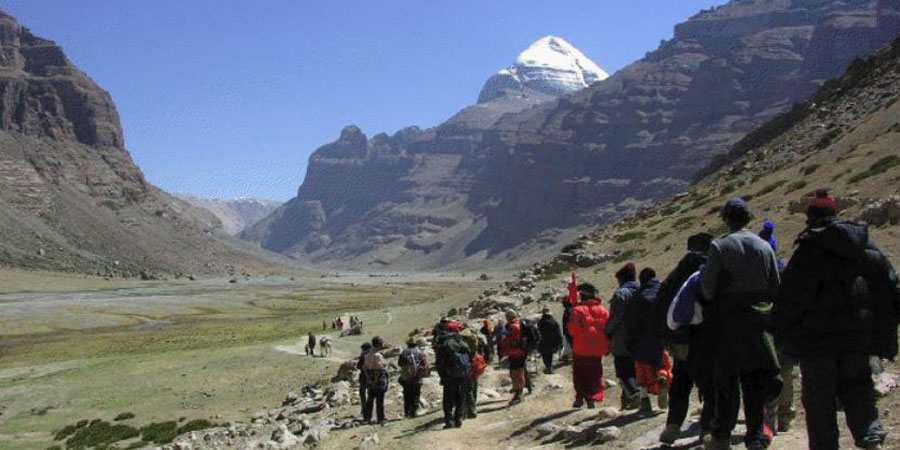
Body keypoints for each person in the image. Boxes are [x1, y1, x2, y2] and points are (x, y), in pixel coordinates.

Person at [775, 189, 897, 450]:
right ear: (836, 213)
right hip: (858, 338)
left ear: (811, 218)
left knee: (819, 401)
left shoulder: (808, 250)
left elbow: (791, 298)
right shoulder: (863, 245)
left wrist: (782, 331)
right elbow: (889, 285)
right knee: (859, 390)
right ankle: (870, 437)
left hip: (816, 344)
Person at [700, 198, 782, 450]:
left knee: (726, 381)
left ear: (726, 218)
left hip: (729, 321)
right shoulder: (765, 247)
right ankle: (756, 435)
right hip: (759, 321)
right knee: (755, 380)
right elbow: (775, 287)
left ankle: (721, 434)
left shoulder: (720, 246)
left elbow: (708, 289)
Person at [655, 233, 715, 444]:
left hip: (679, 339)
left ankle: (673, 425)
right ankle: (708, 429)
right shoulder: (710, 270)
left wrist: (667, 336)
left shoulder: (678, 272)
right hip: (706, 339)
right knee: (710, 386)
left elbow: (661, 299)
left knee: (681, 382)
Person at [758, 221, 797, 434]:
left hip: (762, 331)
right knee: (786, 372)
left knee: (764, 373)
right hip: (784, 329)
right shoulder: (784, 270)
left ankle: (766, 416)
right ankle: (785, 416)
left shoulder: (755, 274)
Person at [628, 268, 673, 414]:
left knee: (641, 368)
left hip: (643, 338)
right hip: (662, 335)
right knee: (662, 363)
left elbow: (633, 321)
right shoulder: (664, 291)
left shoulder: (638, 296)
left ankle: (645, 401)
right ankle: (662, 377)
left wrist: (631, 341)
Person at [568, 282, 611, 409]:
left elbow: (571, 330)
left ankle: (580, 397)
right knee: (595, 373)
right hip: (598, 349)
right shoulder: (604, 310)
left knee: (580, 374)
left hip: (581, 348)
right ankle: (593, 397)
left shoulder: (577, 310)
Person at [605, 262, 642, 410]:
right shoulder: (643, 289)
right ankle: (632, 398)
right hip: (642, 336)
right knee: (637, 368)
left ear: (622, 279)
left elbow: (615, 317)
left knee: (623, 369)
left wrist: (608, 330)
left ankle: (633, 394)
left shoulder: (621, 293)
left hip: (623, 337)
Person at [436, 322, 471, 428]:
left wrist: (442, 375)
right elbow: (468, 353)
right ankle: (458, 419)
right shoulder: (461, 341)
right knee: (460, 397)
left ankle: (449, 421)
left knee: (448, 399)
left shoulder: (444, 343)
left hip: (449, 375)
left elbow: (440, 362)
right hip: (462, 374)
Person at [501, 310, 528, 405]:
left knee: (516, 372)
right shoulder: (517, 324)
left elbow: (513, 341)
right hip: (518, 352)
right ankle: (519, 391)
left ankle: (518, 394)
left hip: (516, 353)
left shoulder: (513, 327)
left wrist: (506, 346)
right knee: (518, 371)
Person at [460, 324, 487, 418]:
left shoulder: (464, 343)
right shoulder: (474, 340)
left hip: (468, 365)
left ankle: (470, 411)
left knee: (468, 390)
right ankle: (473, 408)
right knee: (474, 387)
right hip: (475, 364)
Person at [362, 336, 390, 425]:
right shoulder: (377, 355)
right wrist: (375, 380)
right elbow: (378, 368)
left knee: (370, 399)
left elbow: (364, 368)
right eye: (381, 342)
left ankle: (367, 417)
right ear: (378, 344)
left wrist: (369, 379)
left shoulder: (367, 355)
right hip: (379, 378)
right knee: (379, 400)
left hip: (370, 377)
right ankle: (380, 418)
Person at [398, 337, 427, 418]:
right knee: (416, 394)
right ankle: (414, 412)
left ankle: (407, 412)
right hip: (417, 376)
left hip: (406, 376)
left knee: (407, 394)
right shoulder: (419, 352)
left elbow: (399, 363)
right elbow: (424, 363)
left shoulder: (404, 352)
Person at [537, 307, 563, 374]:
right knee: (549, 355)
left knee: (544, 355)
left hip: (542, 341)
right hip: (552, 342)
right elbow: (558, 332)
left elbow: (537, 332)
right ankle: (549, 367)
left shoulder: (540, 322)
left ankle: (547, 367)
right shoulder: (553, 321)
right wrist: (560, 342)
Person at [356, 342, 373, 419]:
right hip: (373, 378)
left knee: (363, 395)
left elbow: (358, 366)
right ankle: (369, 413)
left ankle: (365, 412)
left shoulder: (364, 355)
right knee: (370, 395)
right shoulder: (374, 354)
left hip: (364, 378)